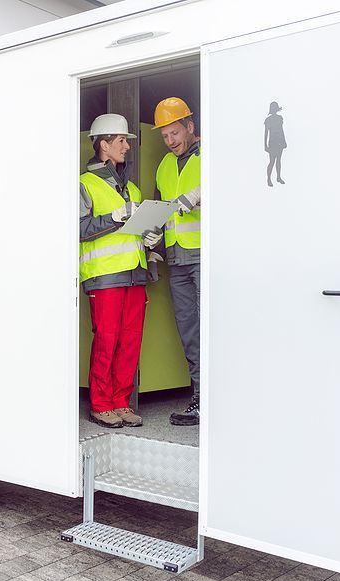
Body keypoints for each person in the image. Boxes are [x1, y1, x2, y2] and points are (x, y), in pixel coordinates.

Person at [79, 114, 159, 428]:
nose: (127, 147)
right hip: (104, 276)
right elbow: (79, 229)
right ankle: (101, 404)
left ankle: (121, 403)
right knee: (107, 341)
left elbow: (136, 231)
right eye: (122, 141)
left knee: (129, 342)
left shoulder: (133, 190)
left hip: (135, 275)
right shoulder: (84, 185)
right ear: (103, 144)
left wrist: (151, 238)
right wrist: (115, 215)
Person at [152, 97, 202, 426]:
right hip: (177, 258)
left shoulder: (214, 155)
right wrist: (153, 243)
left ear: (190, 126)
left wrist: (200, 193)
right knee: (190, 330)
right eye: (165, 136)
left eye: (175, 133)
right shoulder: (164, 167)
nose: (170, 142)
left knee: (217, 327)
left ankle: (231, 397)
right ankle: (201, 398)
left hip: (206, 254)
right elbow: (160, 211)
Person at [264, 101, 287, 187]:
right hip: (272, 142)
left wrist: (284, 141)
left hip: (279, 141)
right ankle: (269, 178)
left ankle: (278, 177)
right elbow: (266, 133)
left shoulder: (279, 118)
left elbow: (281, 130)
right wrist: (265, 145)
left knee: (278, 160)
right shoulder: (268, 120)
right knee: (272, 161)